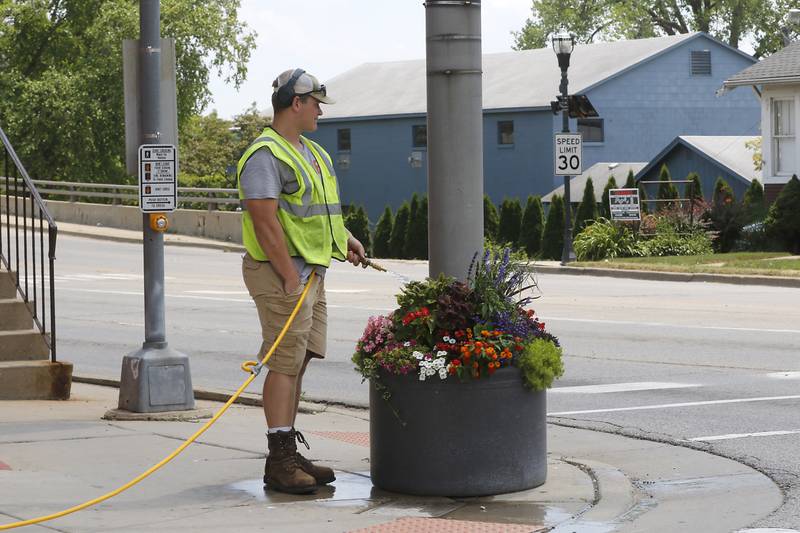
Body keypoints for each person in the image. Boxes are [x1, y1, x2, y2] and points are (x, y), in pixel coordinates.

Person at [237, 68, 366, 494]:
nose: (319, 113)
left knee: (302, 358)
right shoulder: (265, 154)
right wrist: (290, 277)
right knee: (284, 364)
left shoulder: (313, 153)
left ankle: (288, 447)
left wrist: (345, 239)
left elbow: (322, 211)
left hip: (312, 274)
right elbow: (265, 221)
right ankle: (280, 462)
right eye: (315, 105)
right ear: (296, 103)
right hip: (283, 275)